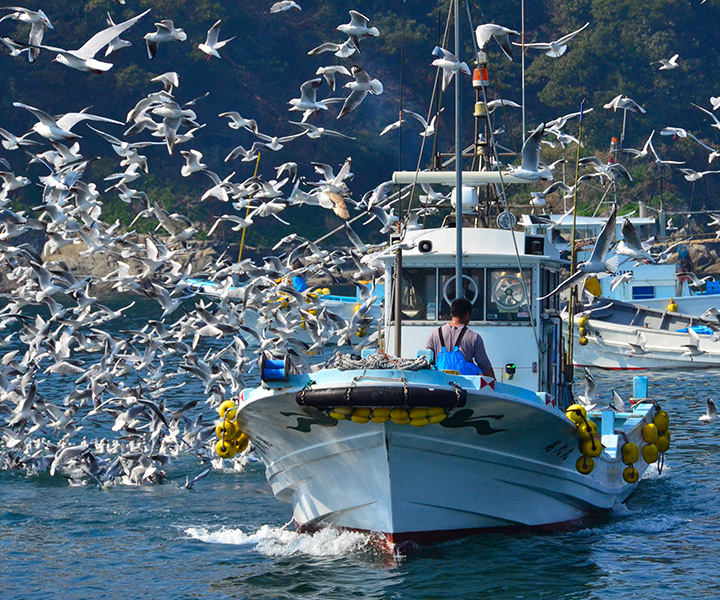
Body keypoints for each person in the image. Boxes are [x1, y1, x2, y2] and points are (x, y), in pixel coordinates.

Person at [426, 297, 496, 378]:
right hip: (467, 387)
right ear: (467, 315)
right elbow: (484, 365)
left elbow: (427, 360)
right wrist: (495, 386)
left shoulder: (435, 334)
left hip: (440, 385)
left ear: (452, 314)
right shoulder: (474, 337)